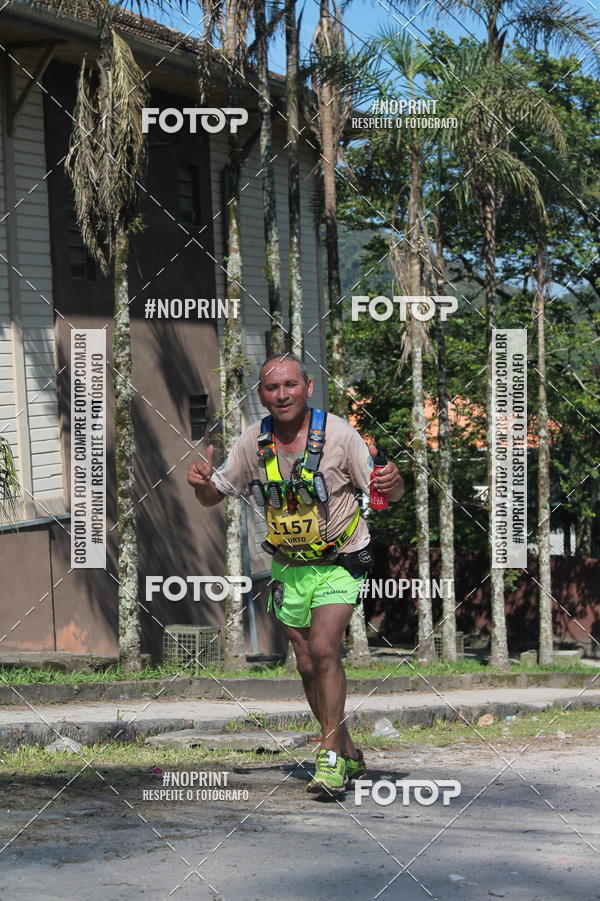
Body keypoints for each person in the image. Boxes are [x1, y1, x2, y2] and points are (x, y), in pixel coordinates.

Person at [187, 354, 403, 795]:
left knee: (325, 647)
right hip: (288, 567)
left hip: (341, 561)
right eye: (271, 388)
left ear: (307, 387)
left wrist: (393, 482)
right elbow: (216, 496)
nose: (281, 395)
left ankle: (327, 758)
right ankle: (345, 748)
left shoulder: (341, 435)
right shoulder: (252, 442)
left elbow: (387, 492)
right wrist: (201, 485)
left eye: (290, 385)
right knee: (306, 661)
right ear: (261, 395)